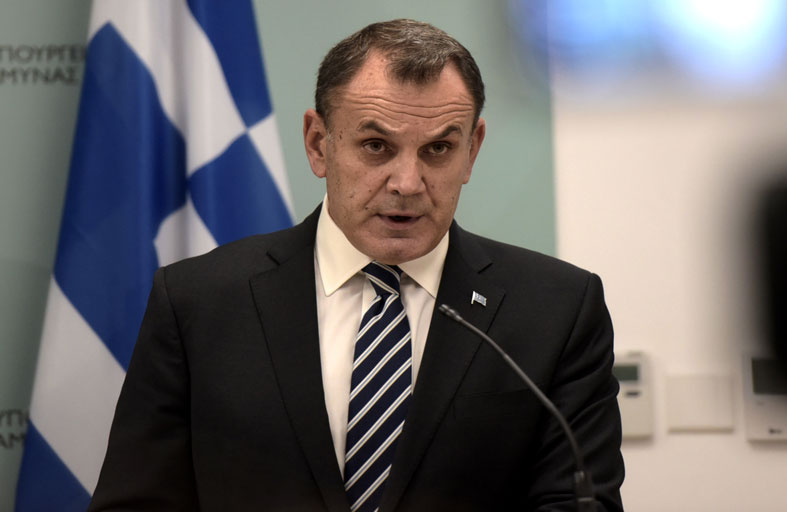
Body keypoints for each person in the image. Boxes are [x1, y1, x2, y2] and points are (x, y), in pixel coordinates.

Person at [89, 19, 624, 512]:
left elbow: (579, 503)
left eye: (438, 149)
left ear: (472, 149)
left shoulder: (557, 310)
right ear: (318, 144)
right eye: (376, 145)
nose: (407, 183)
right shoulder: (198, 301)